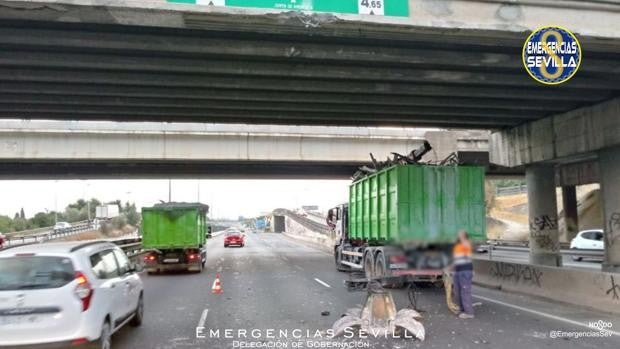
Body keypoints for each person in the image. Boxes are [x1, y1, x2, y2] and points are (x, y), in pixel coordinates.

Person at [452, 229, 474, 319]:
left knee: (465, 291)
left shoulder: (466, 244)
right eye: (459, 234)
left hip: (465, 270)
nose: (459, 235)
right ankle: (462, 309)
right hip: (457, 271)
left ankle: (469, 313)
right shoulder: (457, 246)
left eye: (461, 234)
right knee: (457, 291)